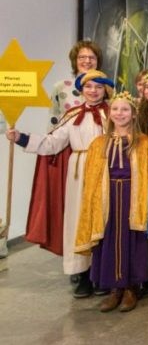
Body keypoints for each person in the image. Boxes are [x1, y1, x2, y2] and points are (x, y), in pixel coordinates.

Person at [7, 70, 112, 297]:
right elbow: (53, 143)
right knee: (77, 220)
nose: (93, 91)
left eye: (98, 87)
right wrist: (21, 138)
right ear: (81, 90)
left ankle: (101, 273)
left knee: (103, 219)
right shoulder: (72, 115)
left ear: (106, 90)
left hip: (104, 170)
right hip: (79, 171)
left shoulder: (113, 114)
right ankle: (82, 274)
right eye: (88, 86)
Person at [74, 91, 148, 312]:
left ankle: (130, 288)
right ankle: (114, 289)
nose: (120, 113)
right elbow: (93, 176)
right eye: (115, 109)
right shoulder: (99, 143)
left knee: (131, 239)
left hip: (132, 194)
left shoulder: (143, 141)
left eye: (125, 109)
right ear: (110, 114)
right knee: (109, 240)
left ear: (134, 114)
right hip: (107, 198)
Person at [48, 41, 103, 130]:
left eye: (92, 58)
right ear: (75, 61)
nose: (87, 61)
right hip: (66, 142)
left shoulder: (106, 88)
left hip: (98, 142)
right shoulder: (60, 87)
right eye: (82, 57)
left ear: (98, 62)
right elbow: (53, 120)